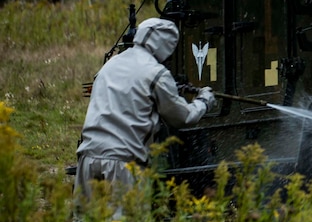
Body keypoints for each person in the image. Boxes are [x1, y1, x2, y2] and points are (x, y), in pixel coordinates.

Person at [74, 17, 214, 206]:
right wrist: (204, 101)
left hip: (87, 159)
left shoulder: (111, 65)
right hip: (122, 164)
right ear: (166, 46)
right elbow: (184, 117)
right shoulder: (156, 73)